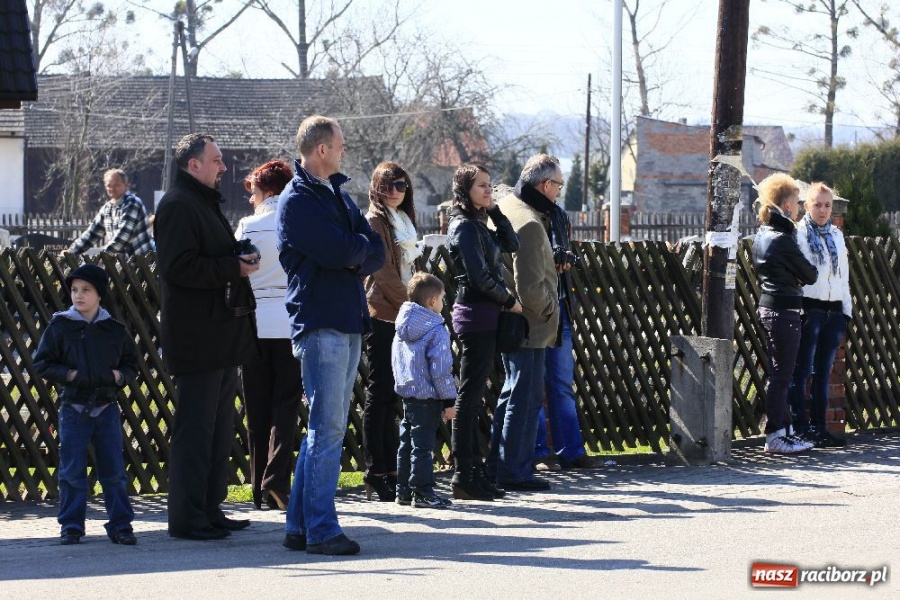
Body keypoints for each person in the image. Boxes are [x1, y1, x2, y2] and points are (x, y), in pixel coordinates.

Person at [278, 115, 384, 556]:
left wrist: (353, 252)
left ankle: (299, 526)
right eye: (340, 145)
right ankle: (321, 529)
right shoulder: (297, 200)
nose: (344, 151)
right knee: (327, 429)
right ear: (321, 149)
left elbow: (375, 250)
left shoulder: (336, 193)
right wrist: (353, 251)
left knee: (323, 430)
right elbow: (339, 249)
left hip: (347, 319)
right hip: (321, 323)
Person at [155, 133, 260, 540]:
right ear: (193, 164)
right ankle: (187, 518)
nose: (223, 167)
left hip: (218, 336)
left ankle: (209, 509)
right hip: (197, 337)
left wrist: (237, 255)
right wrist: (233, 267)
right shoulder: (178, 205)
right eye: (216, 160)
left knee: (217, 430)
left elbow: (208, 255)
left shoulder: (201, 202)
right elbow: (178, 268)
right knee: (195, 432)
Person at [33, 264, 138, 546]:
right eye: (74, 290)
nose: (78, 295)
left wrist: (119, 377)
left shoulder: (114, 330)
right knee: (71, 472)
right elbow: (42, 363)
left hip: (106, 407)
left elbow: (131, 363)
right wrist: (69, 375)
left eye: (86, 290)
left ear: (100, 294)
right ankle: (71, 526)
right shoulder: (60, 326)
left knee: (114, 472)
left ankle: (121, 525)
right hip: (74, 408)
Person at [446, 164, 521, 501]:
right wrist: (509, 300)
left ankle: (474, 472)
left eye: (490, 185)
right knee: (469, 396)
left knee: (476, 397)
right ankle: (463, 475)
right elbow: (479, 278)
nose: (489, 190)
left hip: (486, 315)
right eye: (481, 186)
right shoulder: (463, 226)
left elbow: (512, 242)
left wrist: (495, 211)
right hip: (475, 315)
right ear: (465, 190)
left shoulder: (479, 223)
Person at [487, 154, 561, 491]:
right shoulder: (530, 222)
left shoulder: (507, 207)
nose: (558, 193)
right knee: (526, 397)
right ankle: (514, 470)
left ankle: (498, 465)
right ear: (545, 185)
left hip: (510, 319)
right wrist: (549, 310)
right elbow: (529, 286)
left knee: (512, 392)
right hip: (529, 323)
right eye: (558, 186)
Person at [234, 159, 301, 511]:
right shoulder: (295, 222)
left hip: (254, 322)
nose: (251, 198)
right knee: (286, 404)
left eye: (254, 191)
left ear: (267, 190)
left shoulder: (248, 225)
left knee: (256, 406)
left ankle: (258, 486)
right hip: (290, 320)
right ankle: (276, 481)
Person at [361, 161, 422, 502]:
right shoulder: (374, 220)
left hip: (402, 312)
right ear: (377, 188)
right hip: (383, 312)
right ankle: (375, 471)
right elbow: (383, 272)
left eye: (402, 185)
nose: (397, 191)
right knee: (380, 392)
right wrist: (411, 305)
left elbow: (410, 266)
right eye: (390, 185)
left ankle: (393, 469)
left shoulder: (403, 220)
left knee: (393, 394)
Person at [752, 173, 818, 454]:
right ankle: (775, 436)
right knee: (781, 376)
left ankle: (784, 431)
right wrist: (797, 277)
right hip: (783, 311)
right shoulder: (782, 239)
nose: (800, 208)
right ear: (787, 205)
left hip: (771, 307)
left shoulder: (763, 234)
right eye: (797, 202)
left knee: (780, 374)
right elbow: (810, 274)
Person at [788, 182, 851, 448]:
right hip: (809, 309)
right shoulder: (798, 234)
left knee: (824, 371)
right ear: (806, 206)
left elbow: (843, 275)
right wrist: (800, 309)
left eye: (827, 205)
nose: (823, 210)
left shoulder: (837, 235)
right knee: (802, 370)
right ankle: (801, 428)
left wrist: (846, 311)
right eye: (817, 205)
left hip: (834, 311)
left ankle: (819, 428)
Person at [392, 272, 457, 509]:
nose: (443, 303)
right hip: (429, 395)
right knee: (423, 446)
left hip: (408, 393)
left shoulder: (402, 325)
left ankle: (403, 490)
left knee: (406, 443)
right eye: (442, 299)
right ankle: (422, 491)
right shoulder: (436, 329)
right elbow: (440, 369)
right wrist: (449, 399)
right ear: (432, 301)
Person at [67, 169, 154, 256]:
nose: (112, 188)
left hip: (141, 260)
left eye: (116, 185)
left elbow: (122, 238)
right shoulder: (107, 208)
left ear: (126, 185)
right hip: (121, 262)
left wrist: (102, 256)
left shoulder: (132, 203)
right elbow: (92, 234)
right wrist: (70, 252)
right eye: (109, 185)